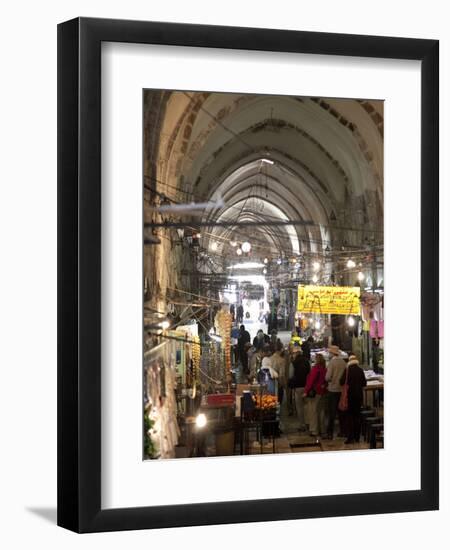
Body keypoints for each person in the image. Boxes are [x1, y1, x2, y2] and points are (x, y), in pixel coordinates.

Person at [340, 355, 367, 443]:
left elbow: (341, 381)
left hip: (349, 396)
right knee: (357, 416)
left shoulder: (347, 370)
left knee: (349, 417)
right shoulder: (360, 370)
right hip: (359, 396)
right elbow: (364, 383)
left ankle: (350, 437)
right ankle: (357, 437)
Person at [325, 345, 347, 439]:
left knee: (332, 412)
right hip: (341, 390)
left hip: (333, 389)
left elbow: (327, 377)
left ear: (332, 353)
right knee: (341, 412)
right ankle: (343, 431)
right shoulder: (343, 362)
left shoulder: (331, 363)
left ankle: (330, 433)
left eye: (329, 352)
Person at [303, 353, 328, 437]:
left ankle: (314, 430)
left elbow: (311, 381)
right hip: (323, 392)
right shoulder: (324, 369)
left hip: (316, 392)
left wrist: (306, 391)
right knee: (322, 412)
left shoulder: (315, 369)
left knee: (313, 411)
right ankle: (323, 430)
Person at [290, 346, 311, 431]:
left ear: (295, 354)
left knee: (299, 407)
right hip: (306, 386)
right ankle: (309, 423)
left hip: (298, 387)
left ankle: (302, 425)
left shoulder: (294, 363)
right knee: (307, 406)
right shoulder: (307, 361)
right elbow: (310, 373)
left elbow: (291, 375)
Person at [271, 341, 288, 406]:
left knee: (271, 403)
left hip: (270, 384)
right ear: (281, 349)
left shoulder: (270, 358)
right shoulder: (281, 360)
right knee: (278, 404)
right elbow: (281, 375)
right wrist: (284, 385)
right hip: (278, 385)